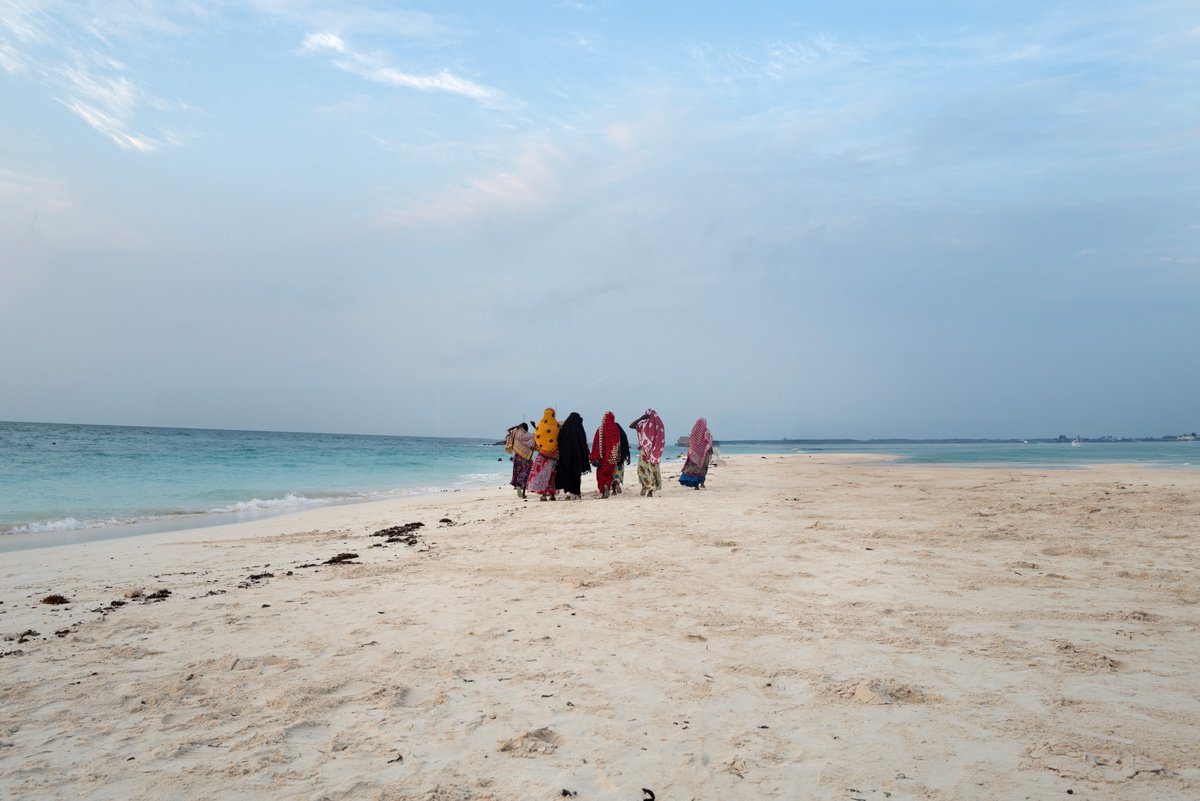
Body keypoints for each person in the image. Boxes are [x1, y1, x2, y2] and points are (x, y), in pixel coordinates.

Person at [629, 408, 665, 496]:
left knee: (651, 471)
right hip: (645, 451)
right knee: (642, 470)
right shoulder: (643, 424)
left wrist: (655, 451)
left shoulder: (658, 425)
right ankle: (645, 486)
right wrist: (641, 418)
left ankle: (650, 490)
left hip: (652, 452)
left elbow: (660, 439)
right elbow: (631, 426)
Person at [526, 409, 560, 500]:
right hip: (554, 456)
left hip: (542, 455)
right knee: (552, 475)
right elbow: (560, 439)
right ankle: (552, 494)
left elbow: (537, 439)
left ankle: (543, 495)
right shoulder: (557, 426)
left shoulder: (540, 426)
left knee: (541, 475)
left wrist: (540, 447)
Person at [555, 412, 591, 499]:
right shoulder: (580, 430)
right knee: (576, 475)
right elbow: (583, 444)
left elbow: (559, 441)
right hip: (577, 457)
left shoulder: (564, 429)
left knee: (566, 473)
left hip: (565, 456)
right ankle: (576, 492)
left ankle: (568, 492)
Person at [589, 411, 623, 498]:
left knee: (601, 474)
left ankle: (603, 489)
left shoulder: (600, 429)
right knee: (609, 474)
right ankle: (607, 485)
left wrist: (594, 456)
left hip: (602, 458)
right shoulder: (615, 429)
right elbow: (618, 443)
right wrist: (618, 455)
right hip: (612, 457)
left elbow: (596, 444)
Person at [679, 417, 713, 490]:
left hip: (693, 454)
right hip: (704, 454)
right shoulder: (707, 432)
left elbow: (691, 443)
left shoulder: (693, 431)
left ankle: (696, 485)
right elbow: (709, 443)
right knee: (703, 468)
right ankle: (702, 483)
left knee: (694, 469)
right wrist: (710, 452)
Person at [504, 422, 536, 499]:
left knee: (518, 472)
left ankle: (518, 486)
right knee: (526, 473)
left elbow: (508, 430)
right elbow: (537, 434)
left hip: (517, 457)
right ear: (526, 428)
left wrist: (517, 426)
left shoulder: (516, 434)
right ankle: (523, 493)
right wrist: (534, 426)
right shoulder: (528, 435)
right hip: (526, 457)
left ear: (520, 427)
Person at [612, 423, 631, 494]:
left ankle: (614, 491)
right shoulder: (623, 435)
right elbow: (626, 446)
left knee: (612, 474)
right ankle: (617, 482)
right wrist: (629, 457)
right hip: (621, 459)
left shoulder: (612, 435)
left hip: (612, 458)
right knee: (619, 474)